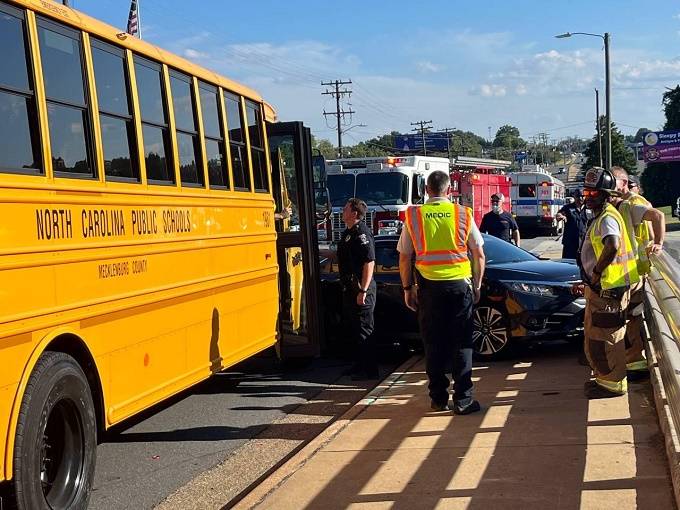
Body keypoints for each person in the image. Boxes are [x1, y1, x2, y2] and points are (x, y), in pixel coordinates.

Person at [397, 171, 486, 414]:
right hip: (460, 287)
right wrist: (477, 285)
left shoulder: (414, 216)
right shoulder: (463, 214)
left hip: (429, 288)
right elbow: (478, 255)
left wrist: (407, 288)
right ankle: (463, 400)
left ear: (426, 190)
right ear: (449, 190)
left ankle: (438, 398)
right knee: (462, 344)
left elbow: (405, 258)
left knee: (433, 343)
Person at [574, 168, 639, 399]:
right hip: (603, 288)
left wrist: (597, 273)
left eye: (594, 194)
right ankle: (605, 380)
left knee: (609, 339)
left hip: (608, 289)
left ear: (606, 194)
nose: (588, 198)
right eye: (586, 192)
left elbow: (611, 245)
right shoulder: (601, 216)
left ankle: (613, 384)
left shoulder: (608, 218)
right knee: (599, 337)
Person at [610, 166, 665, 379]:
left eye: (615, 182)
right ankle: (634, 358)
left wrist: (658, 244)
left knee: (632, 318)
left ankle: (636, 359)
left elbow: (658, 216)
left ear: (624, 184)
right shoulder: (621, 205)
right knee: (632, 318)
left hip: (635, 271)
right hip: (630, 271)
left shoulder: (633, 203)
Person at [337, 198, 378, 380]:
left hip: (361, 289)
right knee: (354, 329)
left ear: (354, 213)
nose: (342, 211)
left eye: (345, 208)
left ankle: (369, 371)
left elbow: (369, 262)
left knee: (364, 330)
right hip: (350, 288)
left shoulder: (362, 233)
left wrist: (363, 291)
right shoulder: (348, 233)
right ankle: (359, 364)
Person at [556, 190, 587, 259]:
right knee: (568, 264)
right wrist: (560, 216)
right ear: (574, 197)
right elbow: (559, 214)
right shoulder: (568, 208)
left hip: (584, 243)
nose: (581, 198)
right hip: (570, 243)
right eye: (578, 196)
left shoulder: (589, 208)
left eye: (582, 196)